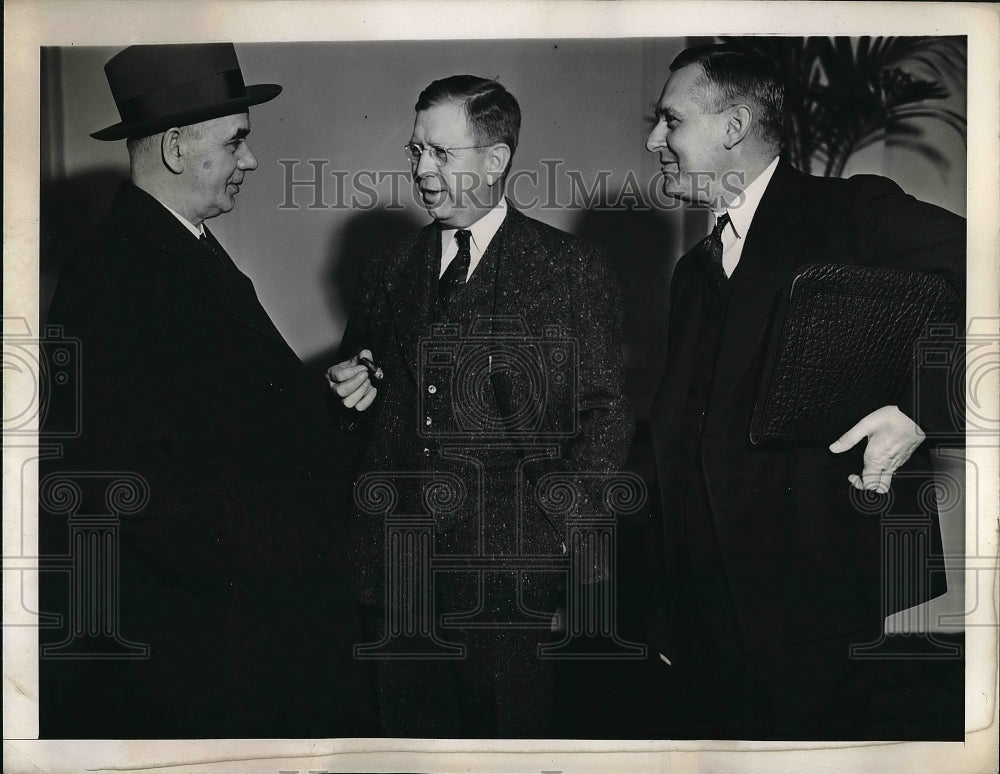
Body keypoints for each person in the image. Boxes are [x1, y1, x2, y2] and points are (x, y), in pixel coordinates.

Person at [39, 43, 373, 738]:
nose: (249, 161)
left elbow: (216, 410)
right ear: (173, 148)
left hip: (232, 621)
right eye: (236, 141)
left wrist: (324, 401)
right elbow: (111, 476)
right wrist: (277, 558)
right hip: (198, 646)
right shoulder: (110, 273)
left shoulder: (179, 245)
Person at [645, 44, 965, 738]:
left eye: (669, 121)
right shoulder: (690, 272)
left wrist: (920, 409)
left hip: (810, 614)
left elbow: (989, 271)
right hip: (701, 621)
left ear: (732, 127)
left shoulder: (852, 211)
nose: (653, 141)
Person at [326, 75, 632, 737]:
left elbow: (604, 415)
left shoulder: (569, 267)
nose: (422, 170)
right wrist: (348, 393)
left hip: (509, 583)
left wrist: (561, 546)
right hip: (393, 574)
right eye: (415, 152)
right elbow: (360, 395)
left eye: (442, 153)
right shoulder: (388, 268)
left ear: (496, 160)